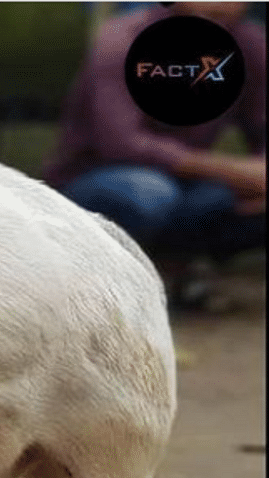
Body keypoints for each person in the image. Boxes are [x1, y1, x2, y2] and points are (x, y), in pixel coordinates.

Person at [43, 2, 265, 308]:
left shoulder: (248, 42)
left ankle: (178, 272)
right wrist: (236, 172)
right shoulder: (124, 39)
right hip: (96, 180)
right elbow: (121, 143)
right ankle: (100, 290)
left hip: (188, 187)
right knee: (150, 192)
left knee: (221, 198)